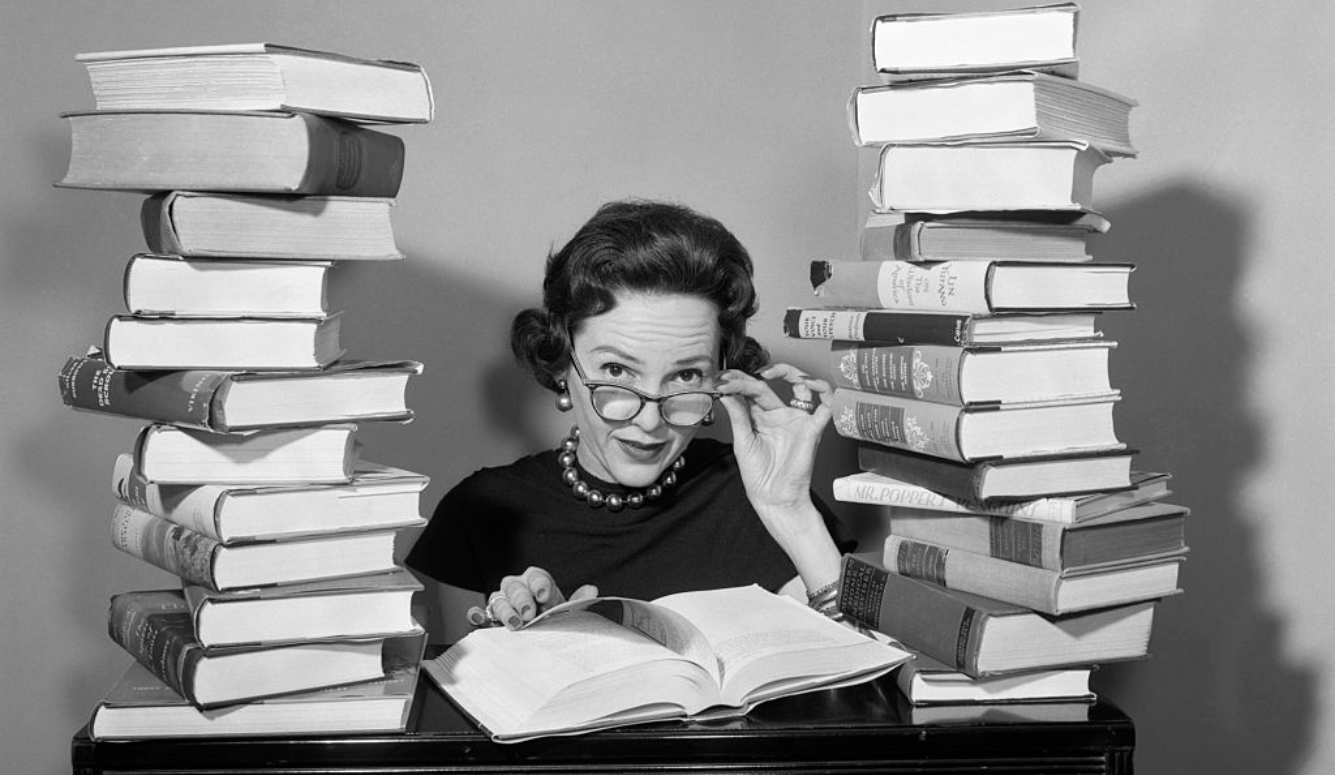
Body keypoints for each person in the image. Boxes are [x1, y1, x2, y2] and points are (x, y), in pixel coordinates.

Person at [405, 199, 851, 630]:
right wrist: (548, 649)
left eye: (687, 376)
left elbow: (872, 679)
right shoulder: (480, 513)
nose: (651, 421)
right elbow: (452, 698)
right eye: (617, 371)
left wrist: (791, 512)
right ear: (562, 363)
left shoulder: (756, 496)